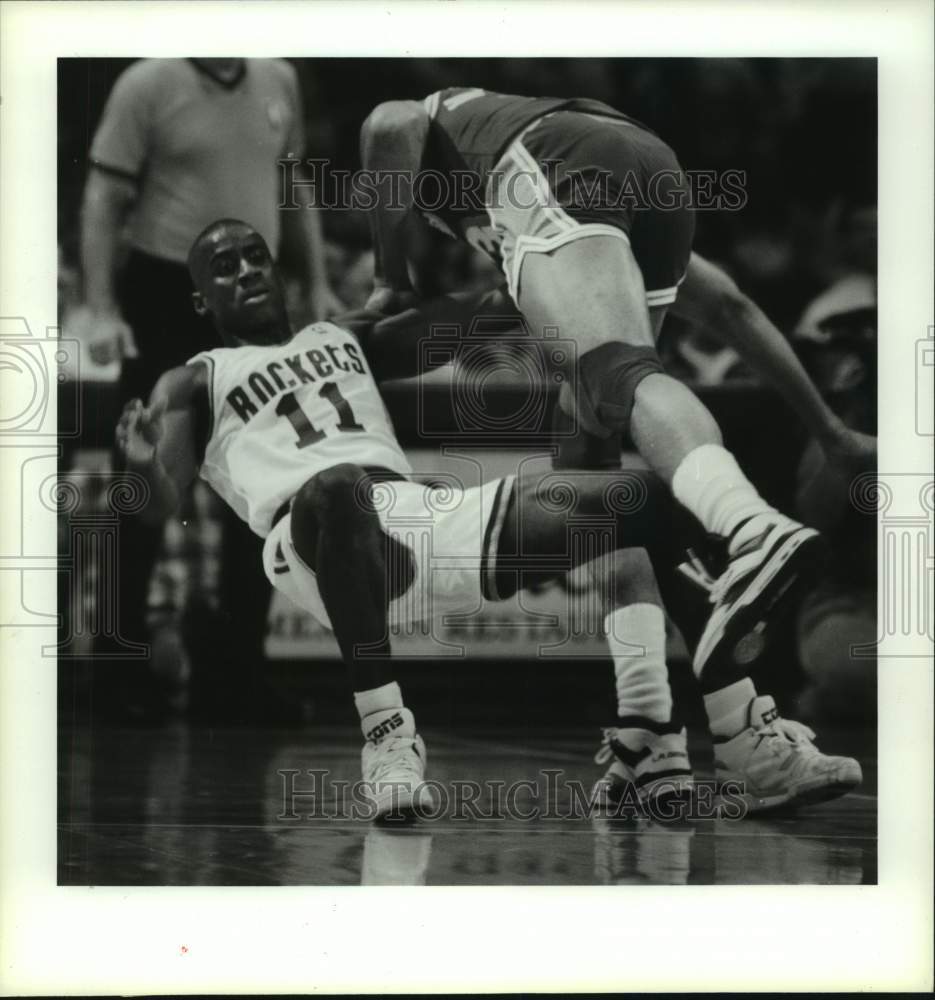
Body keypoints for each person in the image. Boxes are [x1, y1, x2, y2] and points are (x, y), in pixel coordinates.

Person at [116, 218, 726, 818]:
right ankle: (388, 739)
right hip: (309, 540)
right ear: (202, 298)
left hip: (415, 520)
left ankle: (711, 729)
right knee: (336, 487)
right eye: (225, 267)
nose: (246, 269)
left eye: (255, 255)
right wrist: (142, 465)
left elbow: (477, 314)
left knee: (641, 499)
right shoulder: (194, 378)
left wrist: (543, 258)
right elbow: (155, 511)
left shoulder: (341, 336)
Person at [358, 87, 876, 684]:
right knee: (588, 454)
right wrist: (832, 433)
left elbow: (389, 118)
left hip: (559, 157)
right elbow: (731, 307)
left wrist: (389, 279)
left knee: (618, 377)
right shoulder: (500, 207)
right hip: (651, 167)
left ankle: (751, 527)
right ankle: (649, 718)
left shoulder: (448, 151)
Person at [375, 287, 865, 815]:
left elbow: (730, 307)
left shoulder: (583, 239)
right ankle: (730, 722)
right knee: (642, 501)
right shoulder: (553, 236)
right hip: (589, 373)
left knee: (622, 512)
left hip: (589, 371)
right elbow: (730, 309)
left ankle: (649, 733)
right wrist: (829, 430)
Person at [72, 58, 340, 713]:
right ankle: (116, 671)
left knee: (262, 483)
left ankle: (236, 674)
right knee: (147, 476)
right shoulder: (147, 84)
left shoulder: (277, 78)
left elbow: (292, 184)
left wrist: (317, 284)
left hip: (255, 299)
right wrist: (102, 305)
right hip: (167, 294)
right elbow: (104, 199)